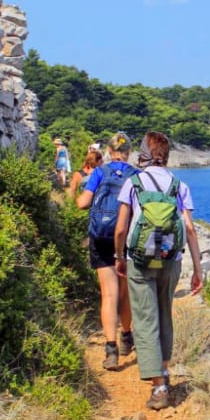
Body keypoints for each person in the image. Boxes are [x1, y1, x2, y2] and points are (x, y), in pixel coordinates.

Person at [115, 131, 203, 410]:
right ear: (166, 156)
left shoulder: (133, 183)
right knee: (165, 315)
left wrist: (119, 257)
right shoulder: (179, 185)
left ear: (143, 152)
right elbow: (189, 228)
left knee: (144, 319)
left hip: (140, 260)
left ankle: (159, 387)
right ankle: (164, 371)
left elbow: (120, 229)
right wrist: (198, 270)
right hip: (170, 260)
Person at [76, 133, 137, 369]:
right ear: (128, 153)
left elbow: (83, 203)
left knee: (108, 295)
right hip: (127, 241)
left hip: (101, 237)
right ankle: (126, 335)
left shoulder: (100, 172)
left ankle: (111, 351)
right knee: (125, 293)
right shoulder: (136, 175)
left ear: (110, 152)